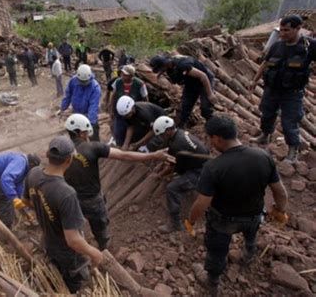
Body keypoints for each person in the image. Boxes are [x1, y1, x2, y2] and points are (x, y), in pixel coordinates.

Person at [188, 115, 288, 296]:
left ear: (217, 138)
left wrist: (191, 221)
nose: (210, 143)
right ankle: (248, 255)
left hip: (223, 221)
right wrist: (280, 210)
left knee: (217, 251)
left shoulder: (213, 167)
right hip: (254, 216)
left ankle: (212, 282)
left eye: (210, 138)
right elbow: (280, 192)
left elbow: (202, 202)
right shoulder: (263, 156)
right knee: (251, 236)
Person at [64, 114, 174, 250]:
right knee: (100, 225)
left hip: (69, 197)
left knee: (73, 224)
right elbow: (124, 155)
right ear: (81, 133)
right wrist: (153, 155)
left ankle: (77, 242)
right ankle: (103, 246)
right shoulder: (93, 148)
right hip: (92, 199)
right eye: (86, 132)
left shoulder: (61, 149)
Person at [23, 136, 103, 293]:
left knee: (58, 267)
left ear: (47, 154)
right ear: (69, 160)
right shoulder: (66, 193)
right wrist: (94, 253)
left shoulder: (33, 173)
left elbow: (25, 201)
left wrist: (45, 211)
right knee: (76, 282)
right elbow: (73, 241)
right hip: (68, 253)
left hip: (48, 241)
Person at [249, 15, 316, 161]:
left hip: (292, 92)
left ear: (298, 29)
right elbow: (265, 64)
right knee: (266, 113)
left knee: (289, 121)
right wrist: (254, 81)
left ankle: (292, 150)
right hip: (272, 89)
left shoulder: (309, 46)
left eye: (287, 30)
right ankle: (265, 136)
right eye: (281, 30)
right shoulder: (277, 46)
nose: (282, 33)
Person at [153, 116, 210, 233]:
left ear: (168, 130)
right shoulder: (180, 133)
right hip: (204, 163)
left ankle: (175, 224)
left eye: (162, 134)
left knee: (172, 188)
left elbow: (173, 167)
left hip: (201, 172)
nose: (161, 138)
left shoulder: (177, 145)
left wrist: (159, 175)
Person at [150, 54, 217, 128]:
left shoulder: (182, 65)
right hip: (191, 83)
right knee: (185, 108)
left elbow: (203, 76)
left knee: (205, 108)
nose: (161, 71)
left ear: (164, 65)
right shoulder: (170, 69)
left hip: (204, 81)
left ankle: (214, 126)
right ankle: (181, 127)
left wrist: (210, 94)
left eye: (161, 69)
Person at [109, 65, 148, 146]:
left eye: (125, 75)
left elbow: (145, 99)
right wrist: (111, 109)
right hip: (119, 112)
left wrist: (144, 111)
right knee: (118, 132)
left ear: (131, 76)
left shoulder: (140, 84)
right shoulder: (118, 82)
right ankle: (118, 142)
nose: (122, 76)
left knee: (133, 130)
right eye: (122, 73)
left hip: (133, 113)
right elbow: (113, 96)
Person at [60, 65, 101, 141]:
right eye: (81, 81)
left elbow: (93, 107)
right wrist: (63, 108)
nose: (83, 83)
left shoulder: (95, 88)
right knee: (77, 139)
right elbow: (68, 95)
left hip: (88, 114)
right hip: (76, 114)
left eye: (85, 81)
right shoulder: (73, 81)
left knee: (93, 139)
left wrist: (90, 124)